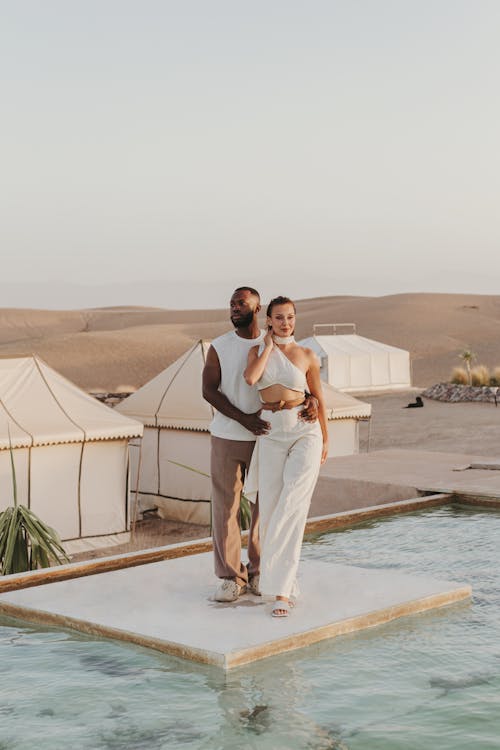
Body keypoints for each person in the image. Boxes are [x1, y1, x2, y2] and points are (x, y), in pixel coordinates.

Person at [202, 287, 318, 603]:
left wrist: (308, 401)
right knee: (226, 508)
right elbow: (209, 391)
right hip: (229, 436)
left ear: (258, 310)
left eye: (241, 303)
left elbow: (294, 381)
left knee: (263, 507)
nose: (234, 307)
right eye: (231, 303)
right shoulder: (221, 346)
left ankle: (258, 572)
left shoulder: (275, 343)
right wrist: (243, 419)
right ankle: (230, 577)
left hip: (269, 437)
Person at [244, 296, 328, 617]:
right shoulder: (257, 353)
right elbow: (252, 379)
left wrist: (326, 439)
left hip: (305, 431)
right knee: (273, 505)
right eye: (279, 318)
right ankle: (282, 584)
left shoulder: (307, 355)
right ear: (269, 320)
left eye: (290, 317)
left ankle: (280, 590)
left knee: (293, 504)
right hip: (271, 434)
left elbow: (318, 398)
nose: (286, 323)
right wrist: (268, 346)